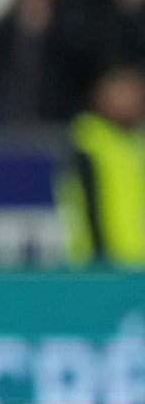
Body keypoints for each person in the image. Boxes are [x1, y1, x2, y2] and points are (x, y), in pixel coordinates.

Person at [53, 60, 145, 267]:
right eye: (122, 93)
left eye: (136, 93)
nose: (131, 101)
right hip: (98, 264)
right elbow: (88, 205)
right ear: (102, 95)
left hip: (135, 264)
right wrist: (100, 258)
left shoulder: (135, 144)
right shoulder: (88, 142)